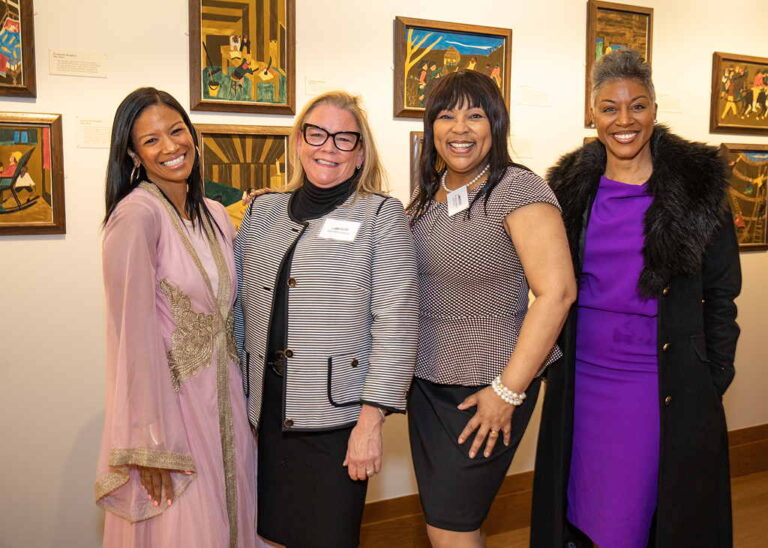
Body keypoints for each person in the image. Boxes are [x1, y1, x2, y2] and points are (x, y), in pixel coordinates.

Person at [531, 49, 741, 548]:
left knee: (635, 519)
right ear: (592, 114)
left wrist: (712, 376)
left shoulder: (698, 185)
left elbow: (722, 293)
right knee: (581, 514)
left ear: (654, 109)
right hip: (582, 380)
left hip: (655, 382)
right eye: (609, 108)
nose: (624, 120)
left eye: (637, 106)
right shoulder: (566, 189)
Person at [234, 91, 418, 548]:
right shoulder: (261, 211)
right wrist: (239, 399)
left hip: (337, 418)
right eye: (316, 134)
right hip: (266, 410)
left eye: (343, 138)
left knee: (327, 536)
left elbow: (397, 321)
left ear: (360, 154)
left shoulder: (380, 215)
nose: (328, 147)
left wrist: (371, 421)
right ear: (299, 141)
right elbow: (237, 306)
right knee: (271, 533)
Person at [406, 70, 576, 548]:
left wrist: (507, 391)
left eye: (475, 115)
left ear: (496, 124)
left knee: (451, 527)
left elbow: (558, 293)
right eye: (447, 115)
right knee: (449, 522)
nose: (460, 129)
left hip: (489, 385)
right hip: (427, 385)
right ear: (432, 126)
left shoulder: (517, 189)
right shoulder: (429, 192)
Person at [95, 87, 264, 548]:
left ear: (192, 133)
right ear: (133, 154)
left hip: (227, 403)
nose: (170, 147)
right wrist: (147, 442)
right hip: (175, 414)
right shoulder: (135, 217)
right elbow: (131, 338)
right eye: (151, 140)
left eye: (176, 131)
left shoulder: (214, 214)